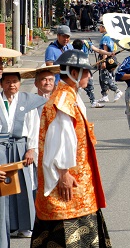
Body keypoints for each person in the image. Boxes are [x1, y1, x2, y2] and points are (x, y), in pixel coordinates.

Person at [32, 50, 110, 247]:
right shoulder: (63, 101)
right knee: (66, 229)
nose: (89, 76)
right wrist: (64, 173)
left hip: (80, 179)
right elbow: (59, 141)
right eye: (85, 72)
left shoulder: (69, 96)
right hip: (70, 179)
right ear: (73, 73)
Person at [0, 70, 46, 239]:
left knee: (24, 185)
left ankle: (26, 226)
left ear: (19, 83)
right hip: (1, 147)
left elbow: (34, 126)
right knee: (5, 185)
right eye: (7, 82)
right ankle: (9, 225)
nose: (11, 85)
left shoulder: (27, 101)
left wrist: (31, 148)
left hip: (21, 147)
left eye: (14, 81)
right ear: (2, 84)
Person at [98, 22, 123, 103]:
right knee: (106, 77)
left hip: (107, 58)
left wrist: (104, 61)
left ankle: (117, 90)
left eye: (100, 26)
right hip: (112, 58)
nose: (99, 28)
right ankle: (105, 95)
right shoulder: (111, 36)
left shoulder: (106, 37)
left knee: (105, 78)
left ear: (104, 27)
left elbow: (105, 50)